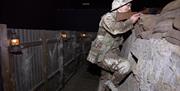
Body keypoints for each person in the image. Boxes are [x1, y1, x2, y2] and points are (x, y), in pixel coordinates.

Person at [87, 0, 141, 90]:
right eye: (127, 5)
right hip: (101, 54)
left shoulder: (122, 19)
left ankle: (106, 86)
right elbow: (115, 30)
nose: (129, 8)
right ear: (119, 6)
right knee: (125, 66)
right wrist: (130, 21)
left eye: (130, 5)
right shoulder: (107, 17)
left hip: (112, 53)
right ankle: (110, 85)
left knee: (105, 77)